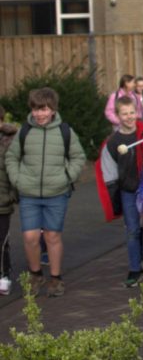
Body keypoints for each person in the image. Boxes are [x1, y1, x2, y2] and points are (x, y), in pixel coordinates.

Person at [4, 87, 86, 298]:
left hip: (56, 193)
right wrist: (17, 179)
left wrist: (67, 177)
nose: (40, 114)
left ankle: (56, 278)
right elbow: (11, 158)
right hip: (29, 193)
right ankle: (35, 274)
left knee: (52, 236)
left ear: (53, 110)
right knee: (30, 236)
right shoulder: (24, 132)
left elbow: (78, 157)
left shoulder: (65, 132)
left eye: (44, 109)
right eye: (36, 110)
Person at [97, 95, 143, 287]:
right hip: (128, 190)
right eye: (124, 114)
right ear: (117, 115)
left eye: (132, 112)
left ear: (138, 112)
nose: (129, 117)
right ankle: (134, 267)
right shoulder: (114, 141)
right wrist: (114, 192)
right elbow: (108, 169)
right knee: (132, 229)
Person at [0, 121, 16, 295]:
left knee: (2, 241)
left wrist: (12, 196)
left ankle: (4, 275)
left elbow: (14, 171)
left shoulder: (10, 142)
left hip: (2, 200)